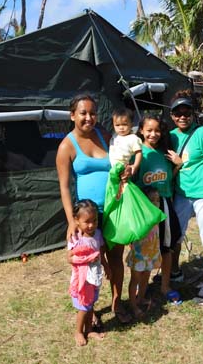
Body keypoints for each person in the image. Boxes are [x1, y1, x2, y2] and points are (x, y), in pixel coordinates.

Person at [56, 94, 132, 325]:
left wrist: (127, 170)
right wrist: (72, 221)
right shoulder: (66, 146)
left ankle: (117, 303)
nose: (89, 118)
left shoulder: (105, 136)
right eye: (83, 113)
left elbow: (120, 160)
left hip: (113, 209)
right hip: (88, 216)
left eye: (92, 113)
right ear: (72, 115)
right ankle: (91, 310)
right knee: (90, 263)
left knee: (116, 258)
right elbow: (64, 188)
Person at [166, 91, 203, 304]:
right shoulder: (170, 136)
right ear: (172, 115)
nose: (182, 117)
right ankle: (174, 272)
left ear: (193, 114)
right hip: (181, 194)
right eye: (178, 113)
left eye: (187, 112)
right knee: (175, 237)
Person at [133, 114, 182, 305]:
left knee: (166, 247)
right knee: (141, 248)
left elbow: (169, 178)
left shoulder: (164, 154)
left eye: (157, 130)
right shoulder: (137, 153)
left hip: (164, 205)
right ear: (141, 131)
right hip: (143, 208)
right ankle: (139, 287)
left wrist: (179, 165)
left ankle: (165, 286)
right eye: (149, 130)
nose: (153, 134)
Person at [67, 199, 110, 346]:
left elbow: (101, 252)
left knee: (90, 303)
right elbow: (69, 258)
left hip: (94, 276)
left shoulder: (97, 234)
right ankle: (78, 331)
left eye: (95, 220)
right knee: (83, 307)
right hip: (82, 279)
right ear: (76, 221)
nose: (91, 225)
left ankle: (89, 329)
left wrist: (106, 266)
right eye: (87, 222)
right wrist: (86, 258)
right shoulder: (76, 237)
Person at [126, 186, 161, 318]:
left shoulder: (158, 216)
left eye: (157, 200)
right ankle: (133, 305)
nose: (156, 203)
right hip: (139, 254)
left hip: (151, 253)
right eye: (152, 200)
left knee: (146, 277)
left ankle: (140, 298)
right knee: (135, 279)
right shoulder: (138, 217)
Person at [109, 107, 142, 184]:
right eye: (117, 125)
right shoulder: (114, 136)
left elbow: (138, 153)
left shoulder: (133, 138)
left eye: (124, 124)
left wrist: (135, 166)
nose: (121, 128)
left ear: (131, 125)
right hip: (112, 168)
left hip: (124, 168)